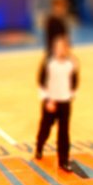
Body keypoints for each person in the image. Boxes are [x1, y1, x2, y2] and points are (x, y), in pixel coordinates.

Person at [33, 35, 78, 173]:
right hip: (51, 102)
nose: (60, 50)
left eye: (63, 47)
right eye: (57, 47)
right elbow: (41, 82)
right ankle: (39, 146)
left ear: (67, 49)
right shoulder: (49, 63)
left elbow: (74, 82)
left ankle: (63, 161)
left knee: (64, 132)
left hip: (65, 102)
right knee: (45, 128)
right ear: (54, 49)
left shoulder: (71, 64)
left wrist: (70, 96)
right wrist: (47, 100)